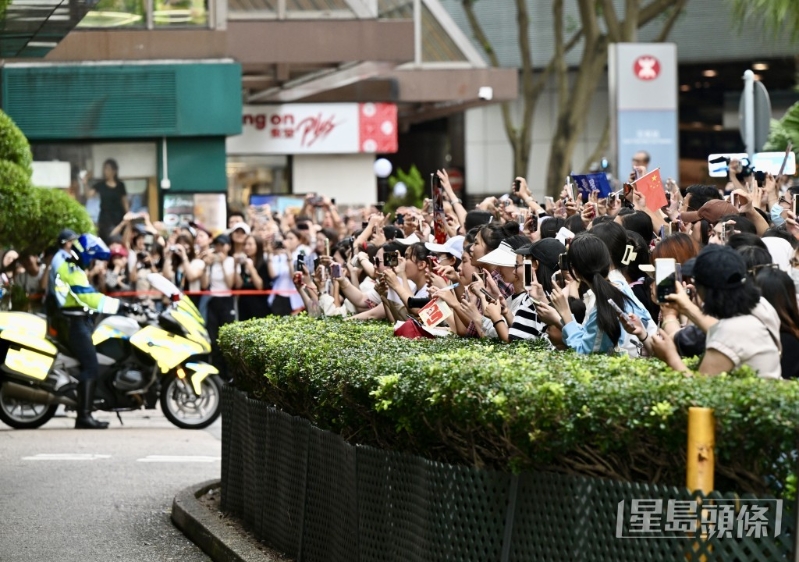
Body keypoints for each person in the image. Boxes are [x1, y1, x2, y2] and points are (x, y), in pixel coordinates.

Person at [649, 245, 781, 378]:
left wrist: (670, 357)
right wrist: (686, 307)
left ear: (707, 291)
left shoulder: (730, 332)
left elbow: (700, 387)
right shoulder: (761, 305)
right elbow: (716, 328)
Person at [48, 230, 124, 429]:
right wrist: (119, 305)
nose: (94, 264)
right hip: (73, 323)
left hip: (77, 321)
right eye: (93, 260)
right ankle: (84, 416)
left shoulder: (72, 267)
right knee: (91, 366)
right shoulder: (70, 269)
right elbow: (87, 297)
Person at [89, 159, 129, 241]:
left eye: (108, 169)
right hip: (105, 218)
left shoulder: (120, 185)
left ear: (114, 171)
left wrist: (128, 215)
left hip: (118, 217)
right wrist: (85, 182)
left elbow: (124, 201)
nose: (105, 171)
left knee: (118, 239)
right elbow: (89, 195)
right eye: (104, 169)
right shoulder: (101, 185)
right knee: (107, 239)